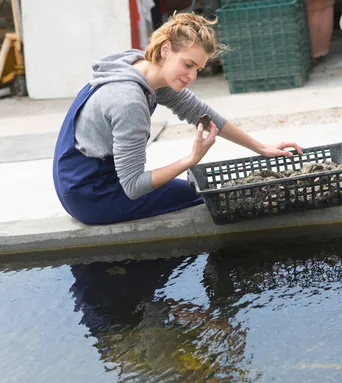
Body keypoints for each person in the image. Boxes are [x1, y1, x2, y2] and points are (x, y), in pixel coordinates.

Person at [53, 12, 303, 226]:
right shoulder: (128, 100)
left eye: (198, 69)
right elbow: (133, 185)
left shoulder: (140, 65)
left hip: (74, 179)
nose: (192, 76)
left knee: (192, 191)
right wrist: (192, 159)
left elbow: (201, 113)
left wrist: (260, 147)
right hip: (91, 194)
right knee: (205, 197)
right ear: (165, 49)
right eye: (188, 64)